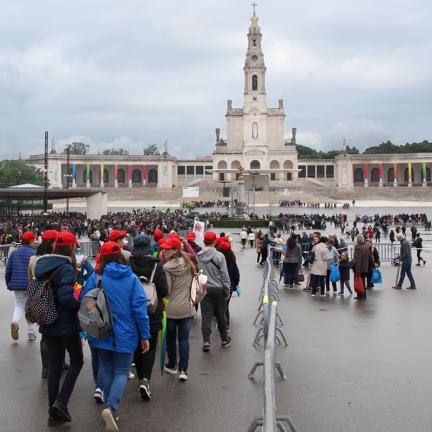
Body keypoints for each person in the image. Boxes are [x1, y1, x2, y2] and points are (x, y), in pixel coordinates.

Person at [82, 241, 150, 431]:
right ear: (121, 256)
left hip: (101, 332)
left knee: (108, 369)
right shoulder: (132, 279)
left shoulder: (96, 278)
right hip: (125, 334)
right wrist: (145, 336)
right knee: (122, 372)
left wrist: (90, 325)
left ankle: (109, 406)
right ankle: (111, 407)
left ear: (101, 257)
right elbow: (140, 310)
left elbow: (86, 302)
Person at [34, 231, 84, 427]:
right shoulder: (65, 268)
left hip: (47, 321)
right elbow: (65, 298)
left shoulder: (42, 264)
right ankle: (61, 403)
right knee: (77, 360)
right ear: (71, 248)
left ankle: (52, 413)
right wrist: (78, 304)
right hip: (65, 324)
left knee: (54, 367)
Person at [129, 235, 168, 400]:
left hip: (132, 311)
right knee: (150, 346)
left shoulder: (128, 266)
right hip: (152, 311)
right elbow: (164, 291)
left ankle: (139, 378)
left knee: (137, 346)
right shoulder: (157, 267)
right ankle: (146, 379)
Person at [161, 236, 196, 381]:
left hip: (171, 308)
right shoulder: (188, 263)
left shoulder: (167, 267)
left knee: (170, 337)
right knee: (183, 339)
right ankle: (183, 369)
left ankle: (172, 364)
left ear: (175, 250)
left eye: (167, 249)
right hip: (187, 307)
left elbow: (167, 290)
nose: (164, 251)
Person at [28, 230, 59, 379]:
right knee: (54, 333)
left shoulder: (33, 258)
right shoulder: (52, 259)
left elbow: (30, 280)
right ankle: (55, 364)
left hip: (40, 299)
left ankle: (46, 368)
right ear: (51, 242)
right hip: (52, 298)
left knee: (45, 334)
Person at [197, 231, 231, 352]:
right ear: (214, 241)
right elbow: (224, 274)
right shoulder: (219, 256)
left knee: (206, 316)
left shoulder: (198, 255)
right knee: (221, 315)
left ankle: (206, 341)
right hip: (218, 288)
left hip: (204, 288)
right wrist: (227, 289)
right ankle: (224, 338)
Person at [5, 231, 37, 341]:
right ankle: (31, 332)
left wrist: (9, 283)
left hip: (17, 285)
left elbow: (8, 270)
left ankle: (15, 323)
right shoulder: (35, 253)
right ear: (31, 240)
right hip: (31, 284)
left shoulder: (14, 253)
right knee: (31, 308)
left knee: (19, 305)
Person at [216, 239, 240, 332]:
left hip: (218, 284)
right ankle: (226, 325)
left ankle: (221, 323)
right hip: (229, 286)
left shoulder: (217, 258)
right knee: (226, 306)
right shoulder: (232, 260)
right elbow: (236, 274)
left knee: (219, 306)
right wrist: (235, 284)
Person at [352, 235, 371, 300]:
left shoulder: (358, 248)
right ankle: (363, 294)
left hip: (359, 269)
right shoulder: (366, 247)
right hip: (365, 268)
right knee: (362, 281)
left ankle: (360, 295)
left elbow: (358, 260)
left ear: (357, 240)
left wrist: (357, 269)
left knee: (358, 282)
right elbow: (370, 258)